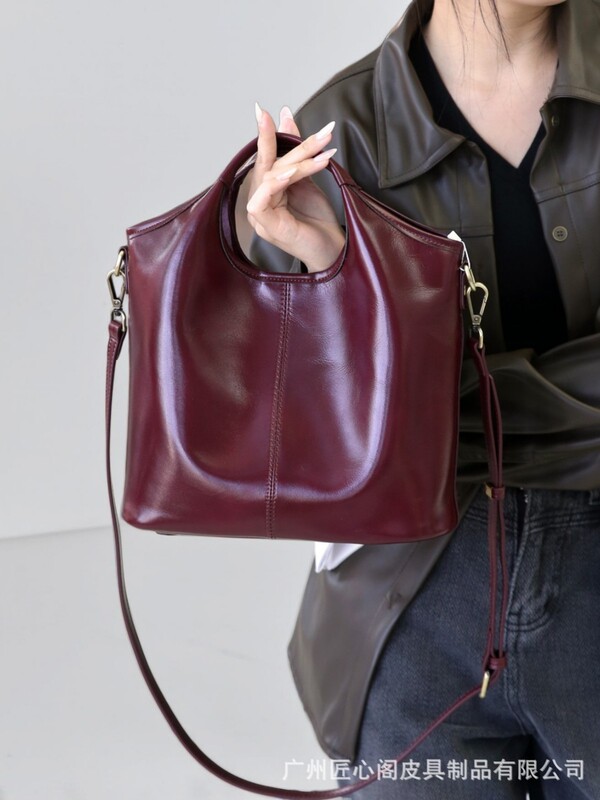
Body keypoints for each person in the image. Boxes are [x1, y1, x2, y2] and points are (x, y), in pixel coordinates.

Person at [235, 0, 600, 796]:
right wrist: (325, 261)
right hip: (413, 601)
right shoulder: (341, 136)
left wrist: (442, 394)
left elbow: (399, 410)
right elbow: (311, 431)